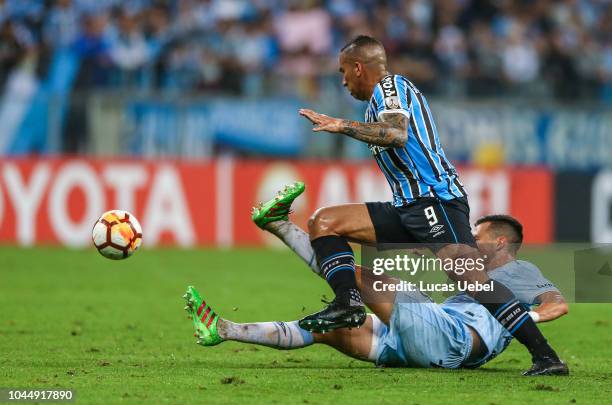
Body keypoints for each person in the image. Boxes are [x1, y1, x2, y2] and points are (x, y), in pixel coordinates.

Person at [281, 34, 567, 375]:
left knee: (470, 278)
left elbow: (397, 133)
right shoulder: (376, 102)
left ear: (359, 68)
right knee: (324, 222)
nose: (342, 81)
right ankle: (348, 303)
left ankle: (546, 356)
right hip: (408, 207)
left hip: (435, 200)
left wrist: (341, 125)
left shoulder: (390, 88)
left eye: (344, 71)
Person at [184, 212, 568, 374]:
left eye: (476, 233)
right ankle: (224, 329)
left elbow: (557, 304)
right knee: (325, 328)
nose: (467, 236)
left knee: (359, 279)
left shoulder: (520, 271)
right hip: (426, 340)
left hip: (453, 340)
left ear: (501, 242)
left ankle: (281, 226)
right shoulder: (472, 269)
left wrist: (527, 318)